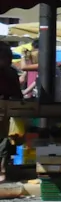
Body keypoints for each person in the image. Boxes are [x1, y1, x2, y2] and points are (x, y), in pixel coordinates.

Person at [0, 44, 23, 183]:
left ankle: (2, 170)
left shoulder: (10, 72)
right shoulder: (10, 72)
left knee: (4, 141)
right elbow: (17, 94)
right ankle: (2, 171)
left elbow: (17, 94)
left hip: (5, 110)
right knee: (3, 141)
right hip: (6, 110)